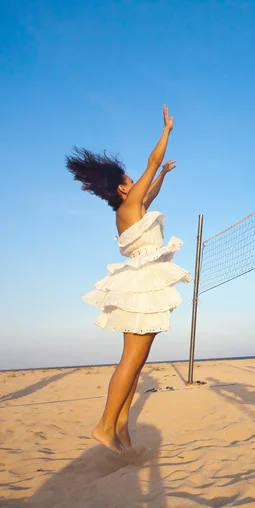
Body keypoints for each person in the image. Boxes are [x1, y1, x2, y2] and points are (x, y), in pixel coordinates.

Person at [66, 105, 191, 455]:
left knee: (138, 361)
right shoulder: (127, 207)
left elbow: (150, 191)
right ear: (122, 189)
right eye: (130, 181)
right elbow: (150, 164)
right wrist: (167, 131)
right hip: (141, 285)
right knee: (130, 360)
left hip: (142, 283)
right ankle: (105, 425)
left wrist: (163, 174)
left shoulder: (132, 209)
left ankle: (120, 424)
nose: (135, 182)